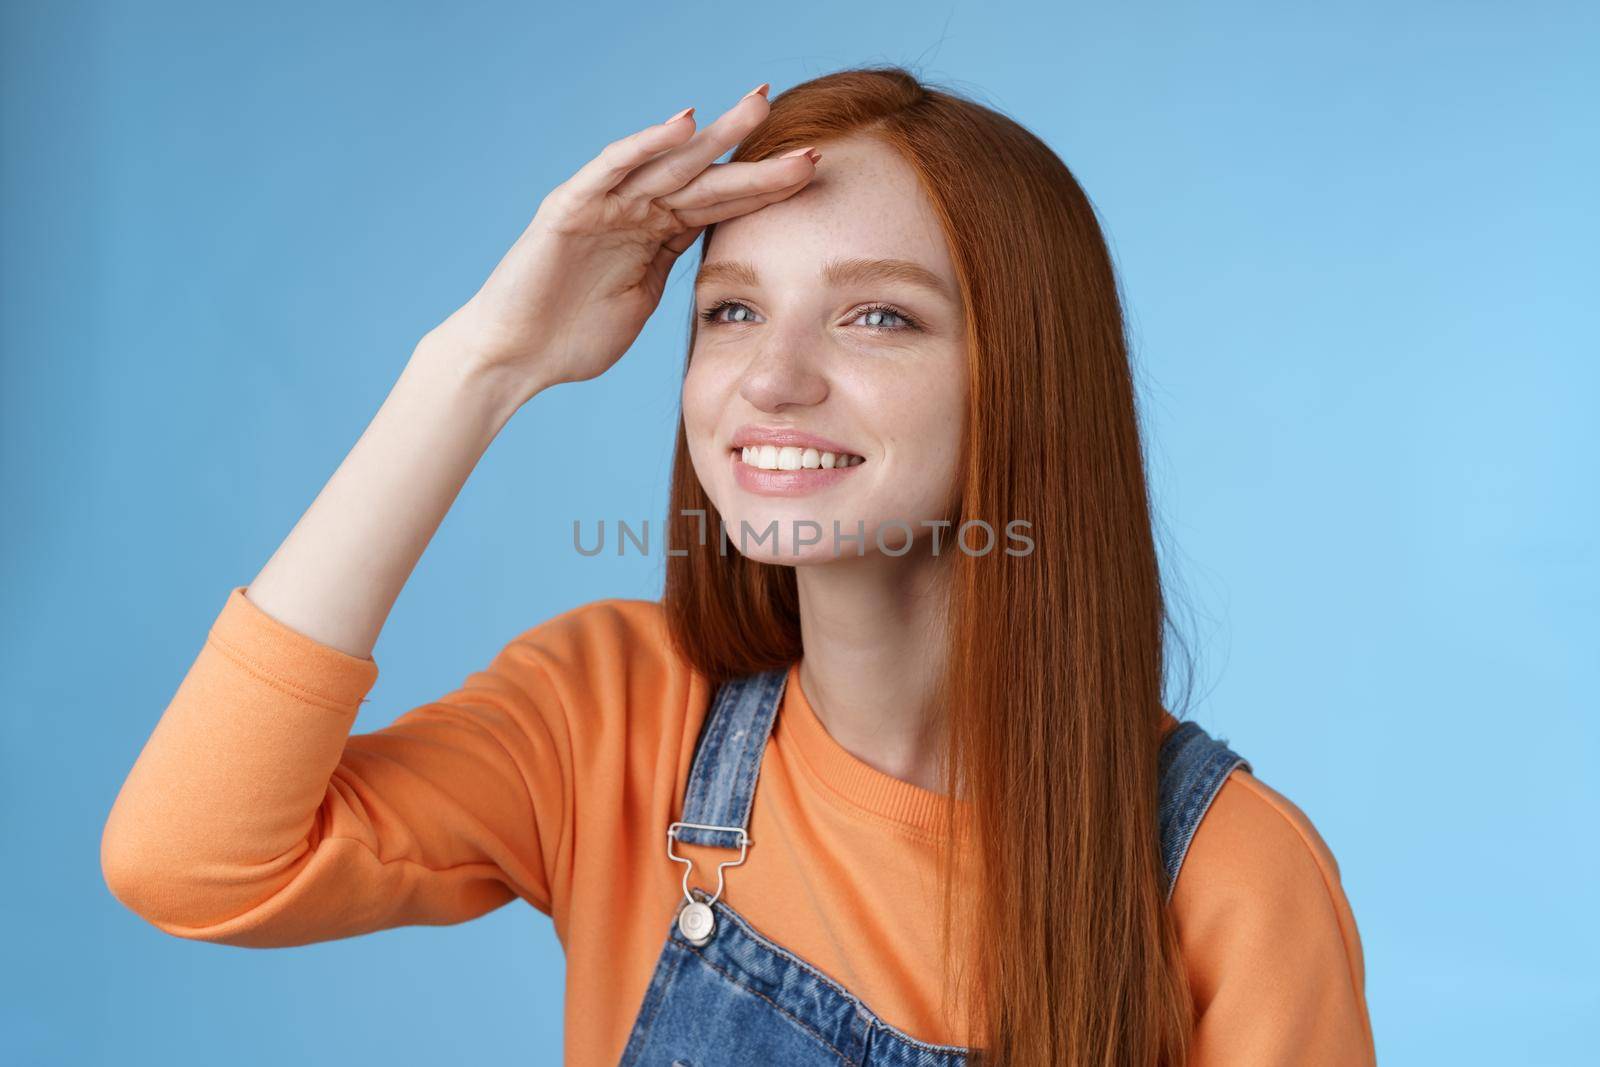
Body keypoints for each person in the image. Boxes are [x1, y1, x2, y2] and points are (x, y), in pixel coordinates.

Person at [100, 67, 1376, 1066]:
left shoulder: (1228, 877)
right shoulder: (616, 711)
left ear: (1026, 383)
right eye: (733, 309)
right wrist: (481, 366)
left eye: (879, 314)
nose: (772, 378)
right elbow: (194, 863)